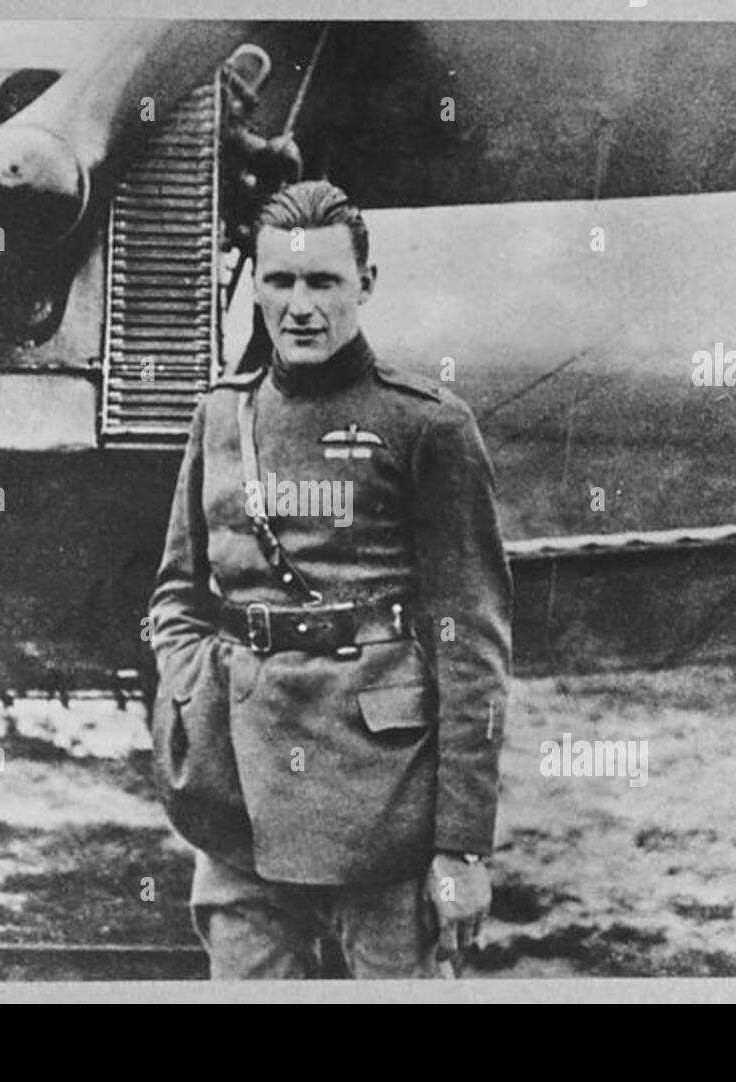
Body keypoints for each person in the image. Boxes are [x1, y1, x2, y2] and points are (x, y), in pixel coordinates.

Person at [148, 179, 513, 979]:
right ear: (257, 287)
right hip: (239, 794)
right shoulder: (221, 415)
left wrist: (460, 847)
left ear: (366, 286)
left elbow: (471, 647)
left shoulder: (427, 426)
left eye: (324, 282)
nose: (301, 306)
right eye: (279, 281)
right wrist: (188, 693)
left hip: (381, 798)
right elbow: (178, 592)